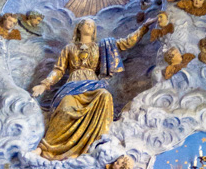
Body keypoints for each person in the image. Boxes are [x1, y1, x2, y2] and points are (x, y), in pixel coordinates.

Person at [30, 17, 147, 159]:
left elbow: (126, 43)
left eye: (92, 25)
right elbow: (58, 70)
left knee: (105, 96)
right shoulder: (69, 48)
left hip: (93, 86)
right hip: (72, 86)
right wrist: (44, 84)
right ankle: (44, 148)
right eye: (86, 24)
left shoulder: (101, 47)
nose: (90, 26)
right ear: (79, 28)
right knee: (65, 107)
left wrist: (144, 27)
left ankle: (97, 145)